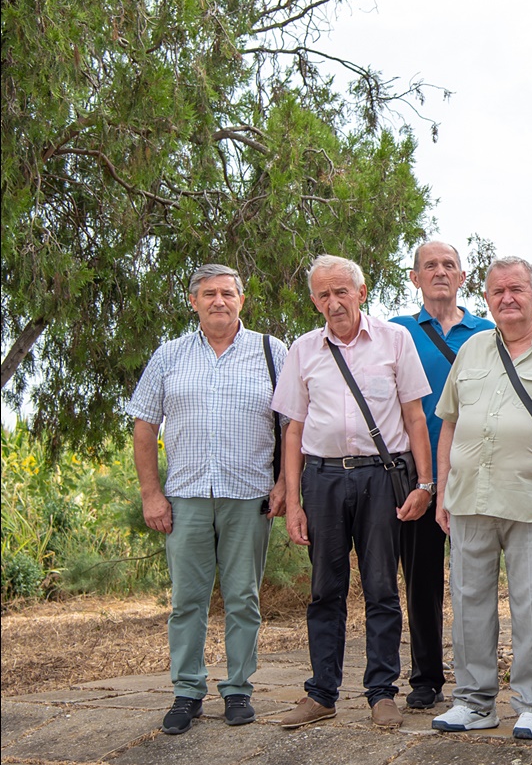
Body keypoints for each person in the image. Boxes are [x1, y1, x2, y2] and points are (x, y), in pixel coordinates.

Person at [431, 257, 532, 740]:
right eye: (498, 291)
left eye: (516, 289)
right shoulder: (473, 349)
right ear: (486, 297)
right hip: (469, 500)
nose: (507, 298)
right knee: (469, 604)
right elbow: (449, 423)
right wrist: (442, 490)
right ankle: (473, 702)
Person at [272, 255, 434, 730]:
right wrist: (294, 503)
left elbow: (415, 418)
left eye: (341, 291)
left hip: (381, 477)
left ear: (361, 293)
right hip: (322, 479)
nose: (334, 302)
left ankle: (382, 694)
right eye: (323, 294)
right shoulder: (303, 349)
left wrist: (425, 485)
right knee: (325, 590)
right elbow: (293, 430)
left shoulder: (394, 339)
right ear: (314, 301)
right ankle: (321, 693)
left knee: (382, 588)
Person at [128, 264, 287, 734]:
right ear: (193, 301)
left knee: (243, 598)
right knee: (187, 602)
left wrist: (284, 484)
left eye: (228, 293)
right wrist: (151, 494)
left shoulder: (271, 351)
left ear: (241, 300)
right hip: (186, 498)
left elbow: (292, 425)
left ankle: (238, 689)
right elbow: (144, 424)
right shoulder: (169, 355)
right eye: (209, 293)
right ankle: (187, 692)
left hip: (249, 495)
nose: (219, 300)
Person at [390, 240, 494, 711]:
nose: (440, 272)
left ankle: (482, 677)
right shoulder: (397, 332)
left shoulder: (487, 332)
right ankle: (426, 677)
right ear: (414, 278)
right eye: (429, 265)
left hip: (475, 471)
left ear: (462, 277)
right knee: (421, 581)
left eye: (449, 264)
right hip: (418, 476)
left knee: (477, 581)